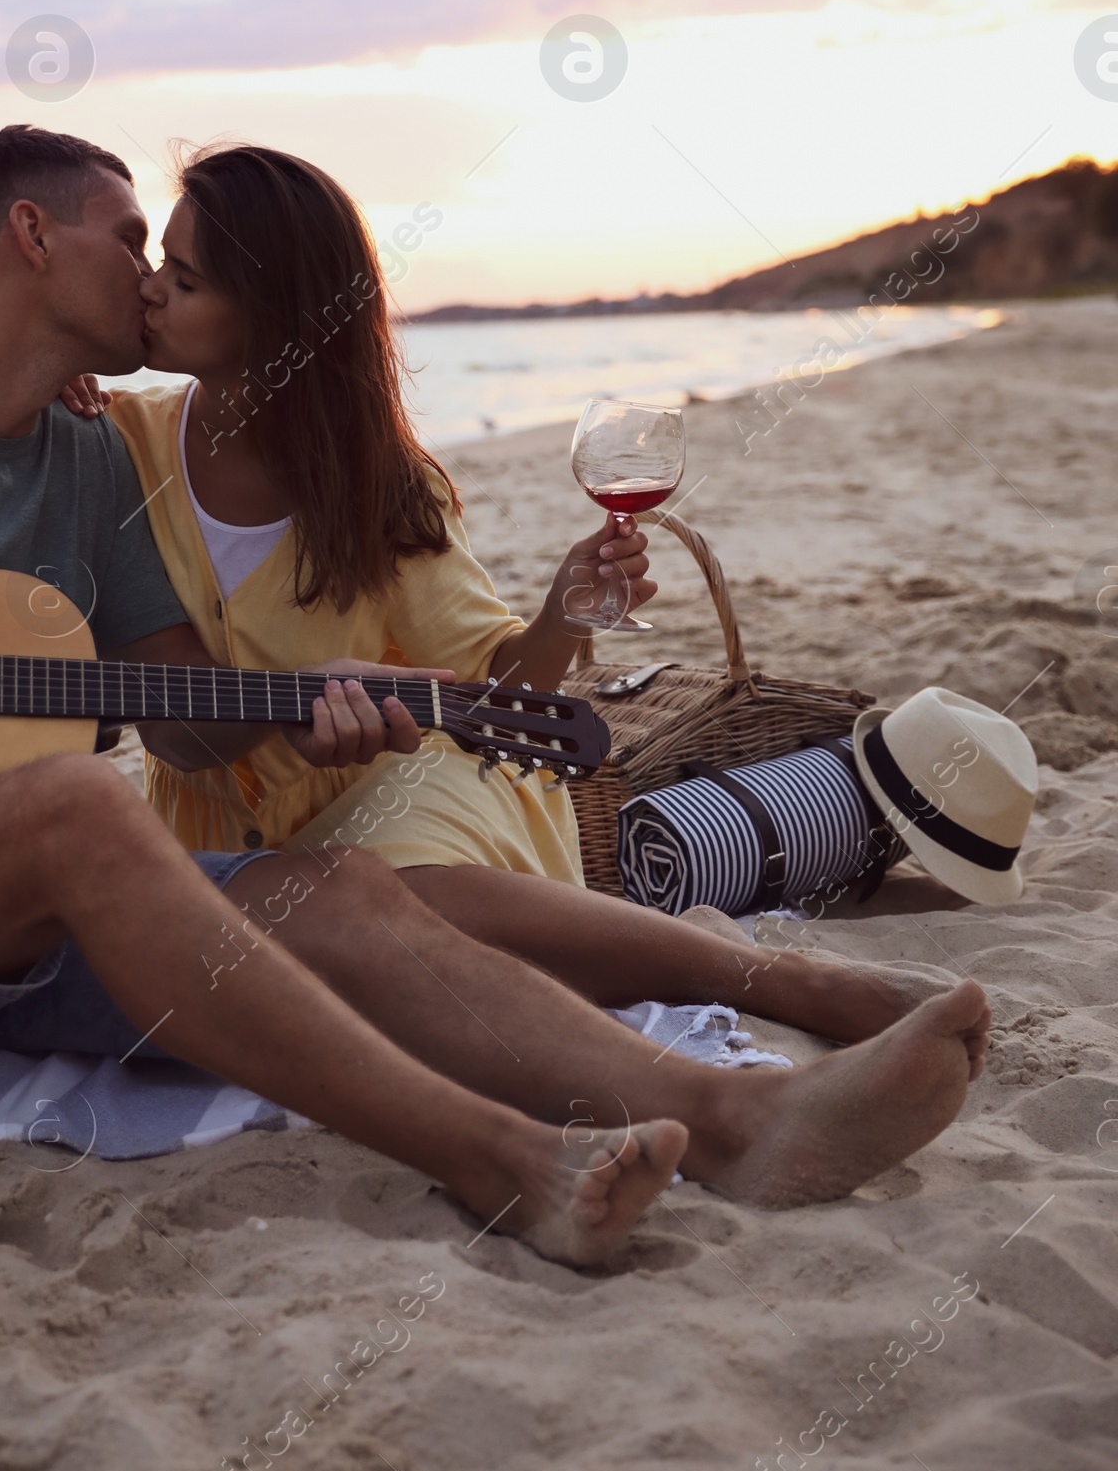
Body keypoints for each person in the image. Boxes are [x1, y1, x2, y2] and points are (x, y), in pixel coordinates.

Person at [0, 125, 987, 1257]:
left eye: (172, 251)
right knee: (78, 811)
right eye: (127, 235)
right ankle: (499, 1162)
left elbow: (179, 711)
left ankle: (740, 1120)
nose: (150, 269)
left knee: (337, 891)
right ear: (31, 237)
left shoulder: (91, 462)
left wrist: (315, 702)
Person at [70, 142, 991, 1062]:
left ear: (274, 321)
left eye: (184, 281)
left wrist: (564, 613)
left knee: (377, 880)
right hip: (223, 838)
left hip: (412, 788)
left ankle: (778, 981)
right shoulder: (113, 448)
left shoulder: (384, 490)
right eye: (160, 266)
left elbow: (502, 696)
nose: (151, 290)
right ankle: (710, 962)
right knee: (329, 919)